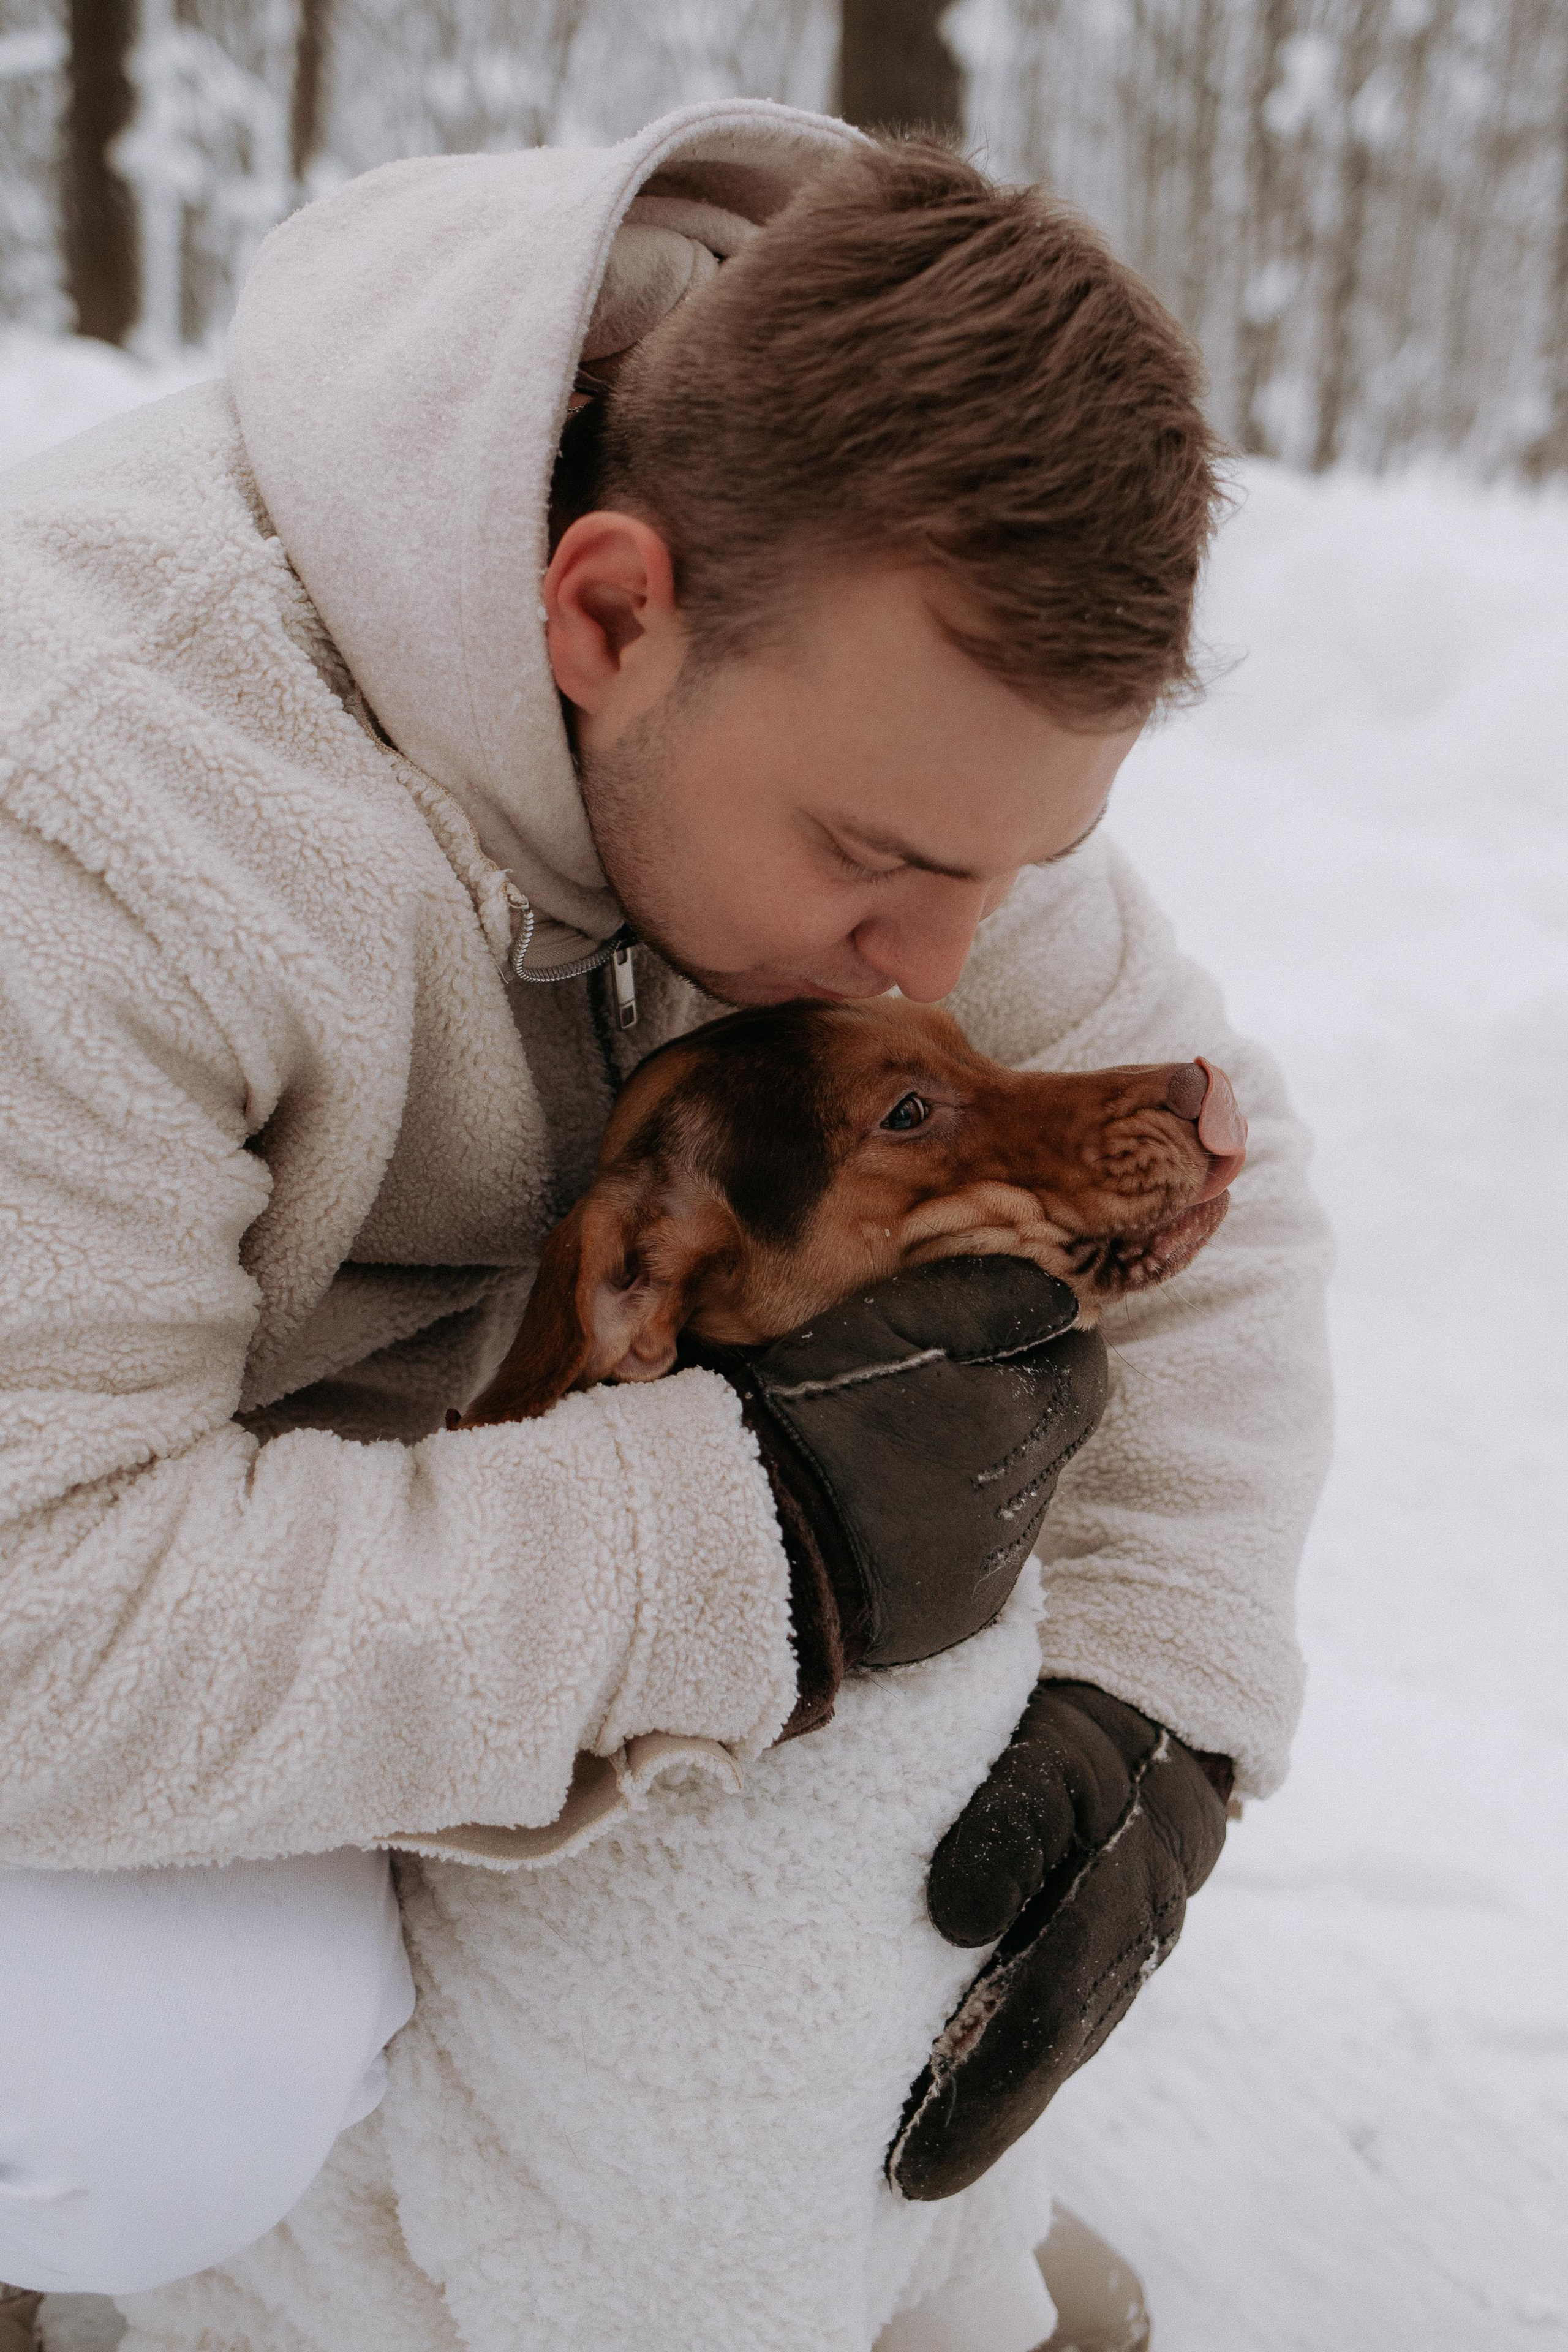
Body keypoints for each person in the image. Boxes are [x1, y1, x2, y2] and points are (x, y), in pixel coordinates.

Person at [0, 99, 1332, 2352]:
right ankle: (193, 2257)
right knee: (168, 2094)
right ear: (609, 606)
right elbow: (38, 1635)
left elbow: (1235, 1207)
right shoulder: (103, 802)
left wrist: (1167, 1701)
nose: (945, 952)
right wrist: (737, 1548)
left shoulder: (854, 713)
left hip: (353, 1541)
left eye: (1011, 871)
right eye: (890, 864)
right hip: (78, 1596)